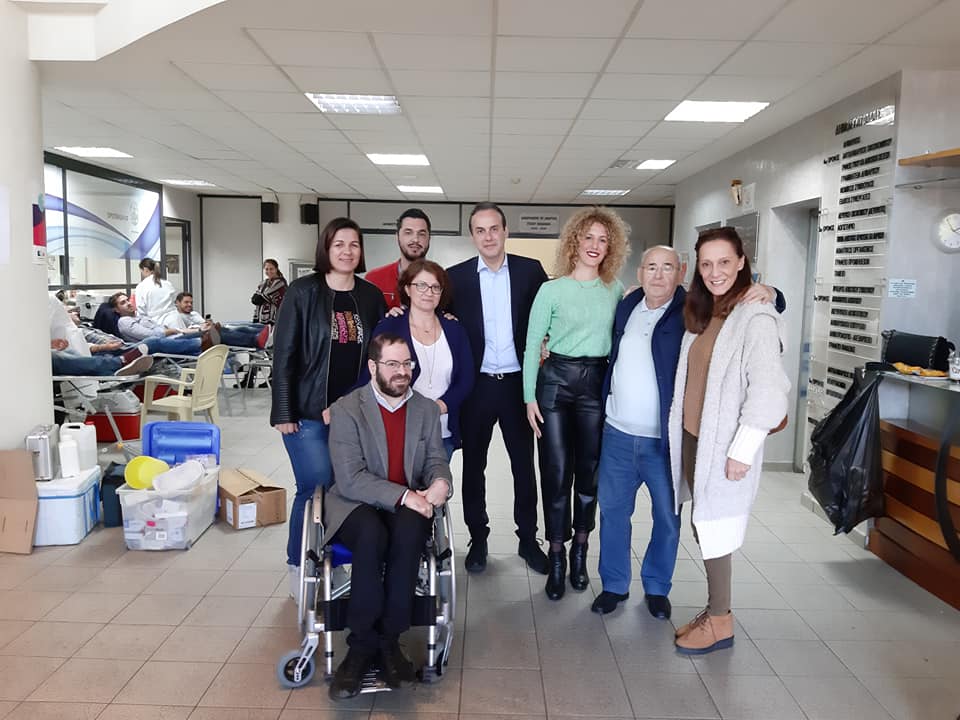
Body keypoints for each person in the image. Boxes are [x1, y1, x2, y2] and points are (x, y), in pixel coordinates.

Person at [590, 246, 785, 619]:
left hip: (664, 440)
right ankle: (614, 585)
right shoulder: (627, 305)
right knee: (613, 513)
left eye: (667, 267)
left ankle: (657, 587)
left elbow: (741, 304)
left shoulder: (693, 308)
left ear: (681, 273)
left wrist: (773, 293)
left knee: (667, 517)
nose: (658, 275)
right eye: (651, 267)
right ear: (640, 273)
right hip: (617, 434)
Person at [669, 227, 790, 654]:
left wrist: (742, 451)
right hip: (695, 438)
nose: (715, 272)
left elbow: (769, 391)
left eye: (724, 262)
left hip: (724, 447)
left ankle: (721, 620)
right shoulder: (707, 311)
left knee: (715, 528)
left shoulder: (755, 316)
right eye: (706, 264)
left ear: (741, 262)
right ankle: (715, 610)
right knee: (704, 526)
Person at [324, 333, 452, 699]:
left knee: (410, 533)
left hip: (408, 503)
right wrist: (405, 496)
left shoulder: (426, 409)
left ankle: (389, 640)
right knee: (371, 534)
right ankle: (362, 644)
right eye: (392, 364)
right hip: (355, 502)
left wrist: (441, 482)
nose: (402, 372)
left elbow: (435, 460)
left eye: (407, 363)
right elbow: (350, 478)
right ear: (373, 367)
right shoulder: (348, 409)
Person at [271, 217, 387, 598]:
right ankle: (298, 567)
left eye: (354, 244)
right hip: (306, 415)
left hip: (353, 416)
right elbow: (284, 354)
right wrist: (283, 410)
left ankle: (334, 564)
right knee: (314, 488)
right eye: (339, 244)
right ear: (326, 248)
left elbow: (379, 352)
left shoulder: (370, 296)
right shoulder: (302, 292)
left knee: (347, 491)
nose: (347, 251)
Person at [522, 206, 629, 600]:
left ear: (611, 247)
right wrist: (529, 397)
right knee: (555, 472)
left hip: (594, 385)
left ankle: (580, 551)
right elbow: (532, 345)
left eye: (603, 239)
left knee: (589, 473)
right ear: (574, 242)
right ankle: (556, 554)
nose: (595, 245)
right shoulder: (551, 291)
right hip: (554, 385)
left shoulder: (615, 290)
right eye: (589, 237)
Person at [446, 202, 549, 575]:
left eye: (494, 229)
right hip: (476, 386)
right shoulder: (455, 278)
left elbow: (550, 314)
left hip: (518, 386)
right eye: (480, 230)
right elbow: (435, 317)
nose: (488, 236)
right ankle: (478, 539)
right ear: (472, 235)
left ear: (505, 231)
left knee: (524, 466)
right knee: (474, 466)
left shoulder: (530, 271)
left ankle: (528, 540)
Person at [360, 259, 474, 460]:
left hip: (441, 432)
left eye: (435, 287)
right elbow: (372, 375)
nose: (428, 292)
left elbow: (466, 378)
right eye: (421, 285)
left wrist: (440, 406)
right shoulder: (390, 326)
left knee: (437, 480)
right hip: (397, 431)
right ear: (407, 289)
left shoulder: (454, 329)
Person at [364, 208, 431, 309]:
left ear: (429, 238)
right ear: (397, 236)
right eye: (408, 232)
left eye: (421, 234)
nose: (415, 239)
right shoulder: (374, 280)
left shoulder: (441, 280)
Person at [110, 293, 218, 353]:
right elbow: (149, 335)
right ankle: (202, 343)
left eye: (128, 300)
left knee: (207, 332)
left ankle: (213, 335)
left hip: (169, 338)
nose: (129, 303)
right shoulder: (124, 321)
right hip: (155, 346)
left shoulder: (140, 316)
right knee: (154, 340)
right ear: (117, 310)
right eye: (123, 303)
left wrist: (199, 329)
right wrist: (170, 331)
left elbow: (160, 328)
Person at [164, 292, 269, 348]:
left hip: (210, 331)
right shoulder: (175, 317)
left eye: (191, 302)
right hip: (201, 338)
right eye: (186, 302)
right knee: (226, 332)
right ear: (177, 303)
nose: (189, 305)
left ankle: (267, 330)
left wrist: (209, 324)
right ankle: (256, 339)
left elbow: (204, 323)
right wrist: (202, 328)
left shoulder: (194, 314)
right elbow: (181, 335)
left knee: (239, 327)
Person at [134, 258, 177, 322]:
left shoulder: (141, 286)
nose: (142, 274)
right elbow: (174, 300)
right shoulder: (167, 283)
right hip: (174, 319)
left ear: (145, 269)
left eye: (141, 271)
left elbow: (141, 309)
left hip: (156, 321)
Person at [252, 258, 287, 324]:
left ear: (276, 269)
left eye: (271, 269)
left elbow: (260, 298)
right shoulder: (264, 282)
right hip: (261, 319)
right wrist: (260, 297)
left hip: (274, 320)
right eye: (266, 269)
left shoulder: (280, 283)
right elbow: (255, 299)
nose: (269, 271)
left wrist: (261, 296)